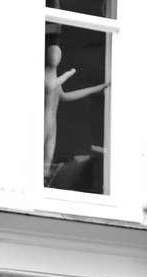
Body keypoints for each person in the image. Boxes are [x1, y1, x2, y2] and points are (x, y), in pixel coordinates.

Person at [44, 44, 110, 184]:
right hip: (43, 122)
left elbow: (65, 96)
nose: (55, 57)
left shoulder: (54, 77)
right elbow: (48, 87)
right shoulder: (45, 74)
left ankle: (45, 180)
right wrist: (67, 74)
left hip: (53, 125)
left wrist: (96, 88)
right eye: (53, 54)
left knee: (47, 161)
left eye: (58, 54)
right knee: (41, 158)